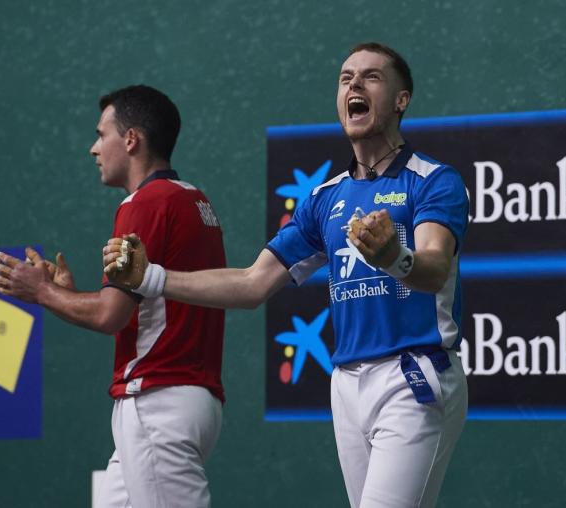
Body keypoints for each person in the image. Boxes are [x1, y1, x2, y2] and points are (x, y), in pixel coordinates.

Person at [104, 43, 469, 508]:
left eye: (371, 77)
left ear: (402, 100)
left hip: (413, 375)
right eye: (345, 78)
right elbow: (252, 283)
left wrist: (395, 257)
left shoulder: (433, 180)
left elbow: (435, 268)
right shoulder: (324, 199)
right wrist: (150, 278)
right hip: (348, 385)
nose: (354, 85)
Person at [0, 85, 227, 508]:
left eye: (102, 135)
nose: (93, 148)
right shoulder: (193, 199)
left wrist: (40, 291)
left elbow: (110, 315)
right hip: (189, 400)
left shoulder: (143, 203)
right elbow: (145, 303)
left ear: (131, 139)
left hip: (157, 400)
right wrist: (69, 294)